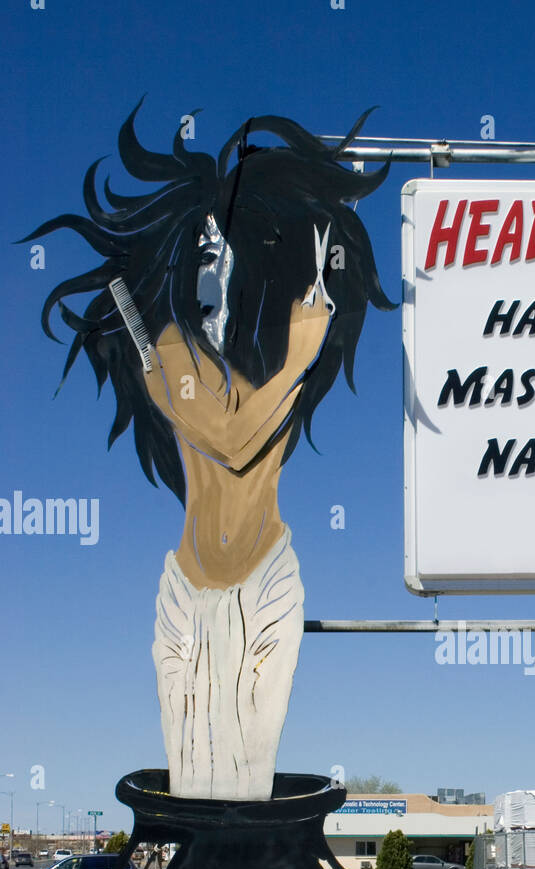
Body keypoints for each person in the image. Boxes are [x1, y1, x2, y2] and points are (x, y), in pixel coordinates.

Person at [27, 105, 393, 799]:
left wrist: (301, 341)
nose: (207, 242)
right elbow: (229, 440)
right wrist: (302, 353)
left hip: (268, 586)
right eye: (197, 231)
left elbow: (251, 428)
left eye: (220, 231)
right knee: (195, 786)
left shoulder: (272, 347)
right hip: (190, 597)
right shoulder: (166, 347)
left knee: (249, 788)